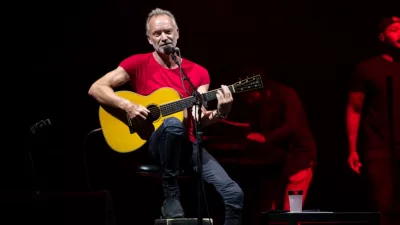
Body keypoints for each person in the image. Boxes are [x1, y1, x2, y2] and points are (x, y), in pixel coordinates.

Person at [88, 8, 243, 225]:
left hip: (188, 146)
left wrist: (220, 112)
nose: (164, 37)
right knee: (171, 124)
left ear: (177, 33)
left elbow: (199, 117)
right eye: (157, 34)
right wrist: (128, 106)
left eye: (168, 32)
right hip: (155, 143)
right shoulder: (138, 63)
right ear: (149, 39)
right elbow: (97, 88)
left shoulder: (197, 72)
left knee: (234, 195)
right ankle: (171, 195)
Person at [346, 15, 400, 225]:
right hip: (379, 147)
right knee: (384, 205)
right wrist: (352, 148)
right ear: (381, 36)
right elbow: (354, 108)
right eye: (395, 29)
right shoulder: (367, 69)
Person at [243, 75, 316, 218]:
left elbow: (292, 126)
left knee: (293, 213)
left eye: (249, 96)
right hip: (276, 165)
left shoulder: (286, 95)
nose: (248, 100)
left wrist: (265, 138)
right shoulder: (260, 105)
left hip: (299, 161)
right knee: (269, 213)